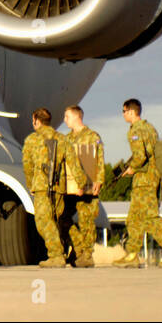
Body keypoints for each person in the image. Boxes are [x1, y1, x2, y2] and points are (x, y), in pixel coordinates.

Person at [113, 99, 162, 268]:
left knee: (150, 217)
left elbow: (140, 156)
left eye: (124, 111)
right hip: (152, 177)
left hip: (144, 180)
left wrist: (130, 169)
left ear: (131, 112)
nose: (123, 114)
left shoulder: (135, 131)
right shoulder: (150, 128)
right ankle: (132, 254)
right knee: (135, 218)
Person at [21, 107, 81, 267]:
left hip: (41, 187)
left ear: (36, 121)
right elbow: (74, 164)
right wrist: (80, 184)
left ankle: (56, 255)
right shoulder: (62, 139)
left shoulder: (32, 140)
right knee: (57, 220)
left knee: (43, 221)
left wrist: (30, 185)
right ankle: (80, 249)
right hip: (59, 187)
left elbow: (27, 166)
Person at [63, 105, 103, 268]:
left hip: (88, 188)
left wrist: (99, 180)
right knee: (62, 218)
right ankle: (78, 249)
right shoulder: (67, 139)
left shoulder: (92, 136)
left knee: (87, 222)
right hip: (70, 189)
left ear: (76, 117)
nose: (65, 120)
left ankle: (87, 256)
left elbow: (99, 160)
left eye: (67, 116)